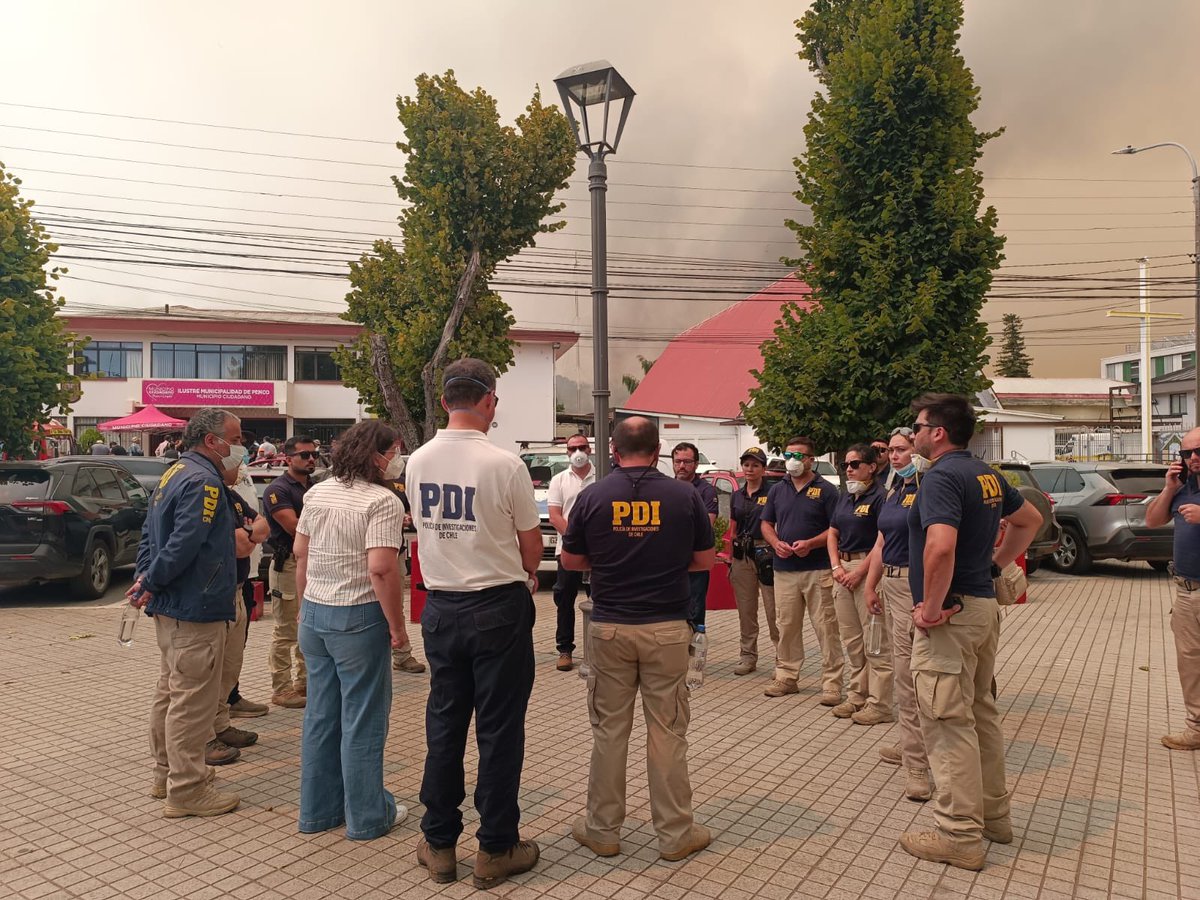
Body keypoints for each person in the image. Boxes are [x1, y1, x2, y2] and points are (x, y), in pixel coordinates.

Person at [407, 359, 543, 889]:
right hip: (498, 608)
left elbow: (423, 529)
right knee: (499, 729)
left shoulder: (417, 461)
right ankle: (496, 847)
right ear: (489, 401)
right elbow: (532, 549)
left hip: (441, 608)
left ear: (445, 401)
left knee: (444, 726)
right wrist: (521, 568)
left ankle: (439, 843)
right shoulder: (504, 464)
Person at [562, 416, 715, 863]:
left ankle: (603, 830)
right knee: (666, 731)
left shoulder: (593, 495)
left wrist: (611, 562)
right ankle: (675, 834)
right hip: (667, 627)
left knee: (609, 731)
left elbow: (570, 562)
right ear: (658, 450)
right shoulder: (684, 496)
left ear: (612, 450)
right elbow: (704, 561)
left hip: (609, 626)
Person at [900, 393, 1041, 871]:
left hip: (952, 615)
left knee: (946, 722)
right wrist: (993, 565)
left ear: (938, 432)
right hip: (981, 607)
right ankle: (994, 818)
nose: (914, 433)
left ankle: (960, 835)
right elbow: (1030, 521)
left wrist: (931, 609)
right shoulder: (987, 474)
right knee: (980, 713)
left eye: (918, 426)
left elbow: (940, 547)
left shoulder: (941, 476)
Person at [294, 420, 412, 840]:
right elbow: (381, 568)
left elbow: (300, 554)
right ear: (377, 455)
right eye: (393, 450)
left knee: (321, 717)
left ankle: (318, 812)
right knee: (363, 720)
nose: (396, 459)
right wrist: (397, 628)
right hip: (357, 617)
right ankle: (367, 816)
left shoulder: (317, 492)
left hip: (314, 613)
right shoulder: (382, 502)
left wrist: (301, 610)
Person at [128, 407, 243, 818]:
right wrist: (152, 581)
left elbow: (149, 533)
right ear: (212, 441)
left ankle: (166, 774)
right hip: (196, 605)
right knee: (192, 702)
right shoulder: (204, 482)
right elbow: (183, 544)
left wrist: (145, 578)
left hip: (174, 605)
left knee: (171, 692)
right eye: (236, 437)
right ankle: (187, 789)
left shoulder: (175, 473)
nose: (240, 447)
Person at [863, 427, 931, 801]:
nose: (894, 456)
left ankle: (918, 765)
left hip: (914, 586)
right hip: (890, 582)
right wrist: (871, 585)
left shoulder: (928, 488)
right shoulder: (895, 490)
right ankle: (910, 742)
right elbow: (881, 541)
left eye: (901, 450)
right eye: (890, 450)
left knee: (910, 676)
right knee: (901, 670)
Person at [759, 436, 844, 703]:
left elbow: (836, 528)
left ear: (811, 460)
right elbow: (766, 524)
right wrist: (775, 544)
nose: (792, 461)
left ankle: (832, 683)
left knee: (826, 627)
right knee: (786, 626)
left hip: (818, 569)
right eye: (788, 455)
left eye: (798, 456)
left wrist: (812, 543)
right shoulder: (777, 489)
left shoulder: (827, 490)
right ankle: (786, 676)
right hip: (784, 569)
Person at [207, 446, 271, 766]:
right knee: (207, 672)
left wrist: (247, 533)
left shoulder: (231, 495)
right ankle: (204, 739)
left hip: (238, 587)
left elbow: (261, 526)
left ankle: (221, 725)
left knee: (230, 665)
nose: (242, 459)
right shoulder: (203, 489)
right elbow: (237, 543)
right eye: (233, 444)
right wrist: (247, 535)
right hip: (211, 594)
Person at [827, 444, 894, 725]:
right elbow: (833, 532)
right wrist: (836, 567)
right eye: (846, 465)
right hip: (843, 570)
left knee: (875, 641)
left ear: (872, 467)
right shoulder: (845, 497)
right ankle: (857, 695)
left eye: (855, 464)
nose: (849, 470)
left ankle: (880, 704)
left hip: (869, 570)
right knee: (853, 641)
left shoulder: (882, 497)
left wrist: (860, 574)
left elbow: (883, 541)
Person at [1145, 425, 1200, 751]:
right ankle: (1195, 729)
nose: (1193, 459)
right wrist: (1169, 488)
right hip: (1185, 591)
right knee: (1190, 664)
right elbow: (1152, 520)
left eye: (1198, 452)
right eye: (1186, 453)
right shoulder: (1184, 488)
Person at [264, 436, 318, 708]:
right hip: (288, 565)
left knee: (308, 626)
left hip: (313, 563)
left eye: (313, 455)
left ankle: (304, 682)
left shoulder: (315, 487)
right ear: (288, 458)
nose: (311, 459)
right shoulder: (278, 489)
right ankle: (281, 688)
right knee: (286, 630)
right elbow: (293, 527)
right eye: (304, 455)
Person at [547, 434, 596, 671]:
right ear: (566, 452)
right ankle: (565, 649)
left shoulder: (603, 476)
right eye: (572, 448)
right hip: (566, 550)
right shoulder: (558, 479)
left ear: (589, 449)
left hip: (598, 552)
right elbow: (555, 515)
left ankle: (598, 650)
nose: (577, 452)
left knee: (598, 598)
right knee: (564, 599)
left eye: (581, 447)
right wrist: (576, 540)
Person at [729, 447, 777, 676]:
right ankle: (747, 656)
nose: (750, 469)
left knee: (774, 610)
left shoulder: (774, 492)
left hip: (767, 553)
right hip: (743, 556)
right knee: (746, 610)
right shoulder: (737, 495)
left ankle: (783, 657)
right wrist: (731, 555)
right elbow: (733, 527)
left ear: (763, 469)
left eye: (755, 465)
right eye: (746, 465)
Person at [672, 443, 717, 630]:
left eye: (687, 461)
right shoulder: (665, 488)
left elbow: (706, 525)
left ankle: (694, 656)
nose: (682, 466)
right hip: (669, 562)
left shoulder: (706, 491)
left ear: (696, 464)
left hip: (696, 561)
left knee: (695, 610)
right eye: (678, 461)